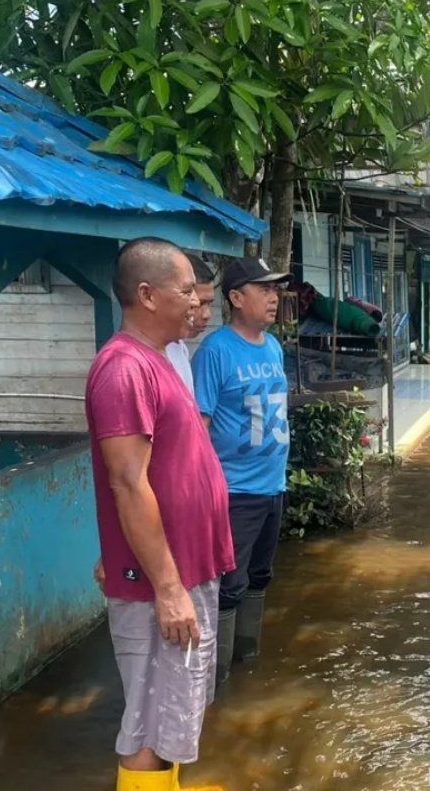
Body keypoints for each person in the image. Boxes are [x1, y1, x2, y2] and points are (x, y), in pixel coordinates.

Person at [85, 237, 233, 791]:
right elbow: (126, 481)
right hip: (161, 582)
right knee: (149, 724)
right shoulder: (123, 369)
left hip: (185, 566)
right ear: (147, 295)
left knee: (173, 712)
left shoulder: (160, 360)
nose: (196, 302)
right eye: (187, 291)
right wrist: (168, 588)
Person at [191, 256, 293, 686]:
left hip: (273, 486)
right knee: (229, 586)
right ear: (236, 298)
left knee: (260, 575)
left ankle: (247, 662)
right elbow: (200, 429)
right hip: (234, 491)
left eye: (275, 290)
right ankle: (218, 683)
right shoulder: (215, 351)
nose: (274, 298)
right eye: (264, 289)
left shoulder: (272, 347)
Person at [165, 255, 217, 392]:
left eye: (209, 303)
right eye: (200, 303)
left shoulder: (180, 347)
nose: (207, 315)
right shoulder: (135, 358)